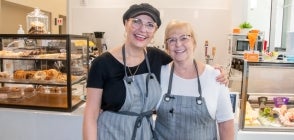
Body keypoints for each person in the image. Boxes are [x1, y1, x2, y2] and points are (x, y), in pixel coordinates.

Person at [83, 3, 228, 140]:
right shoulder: (102, 64)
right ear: (126, 23)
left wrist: (215, 71)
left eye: (149, 25)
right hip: (111, 134)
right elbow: (91, 114)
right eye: (136, 21)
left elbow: (184, 61)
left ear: (154, 31)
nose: (142, 29)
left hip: (145, 135)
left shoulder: (157, 58)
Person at [155, 20, 234, 140]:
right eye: (172, 40)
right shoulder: (158, 74)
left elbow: (226, 124)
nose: (178, 44)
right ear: (166, 47)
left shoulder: (215, 76)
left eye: (184, 38)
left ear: (194, 42)